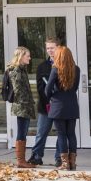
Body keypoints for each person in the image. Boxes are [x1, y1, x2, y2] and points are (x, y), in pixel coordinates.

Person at [28, 37, 62, 167]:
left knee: (61, 133)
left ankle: (59, 157)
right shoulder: (42, 66)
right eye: (48, 48)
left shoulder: (65, 64)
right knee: (41, 132)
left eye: (52, 48)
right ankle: (37, 156)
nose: (49, 50)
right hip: (46, 105)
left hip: (60, 106)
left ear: (58, 47)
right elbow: (40, 87)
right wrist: (49, 101)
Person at [45, 46, 80, 170]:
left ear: (59, 56)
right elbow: (75, 88)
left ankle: (64, 164)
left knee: (61, 134)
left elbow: (47, 89)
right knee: (71, 134)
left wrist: (51, 96)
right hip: (72, 106)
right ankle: (72, 163)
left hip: (58, 106)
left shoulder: (55, 69)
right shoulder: (77, 69)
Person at [7, 46, 36, 168]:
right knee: (21, 132)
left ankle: (21, 160)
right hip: (22, 106)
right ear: (21, 56)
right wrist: (26, 103)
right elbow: (18, 90)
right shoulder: (16, 70)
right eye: (27, 56)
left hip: (25, 105)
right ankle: (21, 161)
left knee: (23, 131)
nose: (29, 58)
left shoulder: (22, 69)